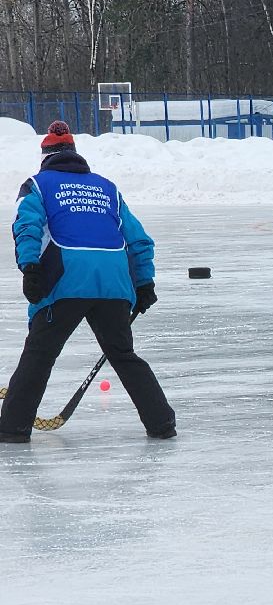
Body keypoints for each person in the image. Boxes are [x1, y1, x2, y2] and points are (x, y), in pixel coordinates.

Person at [0, 121, 174, 442]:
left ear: (45, 156)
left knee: (39, 354)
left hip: (67, 279)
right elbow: (139, 240)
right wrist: (144, 284)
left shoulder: (37, 185)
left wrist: (31, 267)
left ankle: (13, 429)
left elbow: (27, 226)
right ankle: (162, 423)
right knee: (123, 354)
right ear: (75, 155)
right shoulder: (107, 187)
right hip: (114, 283)